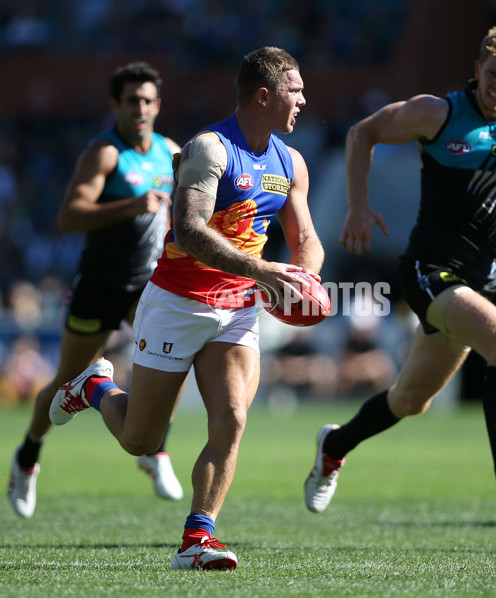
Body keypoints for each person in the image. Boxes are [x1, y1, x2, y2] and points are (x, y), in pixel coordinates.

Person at [49, 46, 324, 571]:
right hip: (177, 302)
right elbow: (193, 232)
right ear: (264, 95)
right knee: (141, 439)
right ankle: (96, 387)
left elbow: (305, 236)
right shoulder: (209, 149)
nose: (304, 101)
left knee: (233, 417)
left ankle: (198, 537)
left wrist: (303, 277)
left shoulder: (291, 162)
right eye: (296, 90)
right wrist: (263, 270)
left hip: (239, 307)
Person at [304, 26, 496, 526]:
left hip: (477, 278)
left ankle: (333, 446)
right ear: (477, 70)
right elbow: (361, 132)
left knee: (410, 400)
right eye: (490, 74)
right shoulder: (438, 112)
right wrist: (358, 208)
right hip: (429, 270)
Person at [8, 62, 184, 519]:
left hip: (150, 284)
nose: (141, 108)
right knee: (66, 379)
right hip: (101, 283)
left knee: (176, 356)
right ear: (116, 105)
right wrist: (131, 205)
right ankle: (27, 458)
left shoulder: (171, 151)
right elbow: (69, 217)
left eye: (148, 100)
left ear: (158, 105)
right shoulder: (105, 154)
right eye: (132, 100)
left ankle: (155, 450)